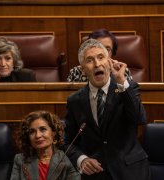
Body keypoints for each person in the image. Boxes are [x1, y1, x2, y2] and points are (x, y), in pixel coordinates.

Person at [63, 39, 150, 180]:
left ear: (109, 62)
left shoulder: (127, 88)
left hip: (130, 172)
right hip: (96, 174)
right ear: (83, 69)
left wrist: (122, 81)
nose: (97, 64)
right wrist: (82, 159)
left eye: (101, 57)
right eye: (90, 60)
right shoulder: (75, 101)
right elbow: (67, 141)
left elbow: (139, 118)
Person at [10, 110, 80, 180]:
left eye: (43, 129)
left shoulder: (64, 158)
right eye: (32, 132)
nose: (37, 135)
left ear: (53, 133)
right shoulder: (20, 160)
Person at [67, 28, 133, 82]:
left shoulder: (122, 71)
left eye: (107, 49)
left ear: (113, 52)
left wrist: (119, 79)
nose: (103, 52)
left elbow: (131, 96)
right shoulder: (76, 72)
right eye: (97, 47)